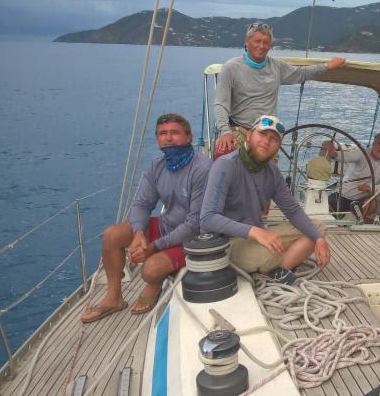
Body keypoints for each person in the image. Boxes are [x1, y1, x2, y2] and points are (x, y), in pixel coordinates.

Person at [81, 113, 212, 323]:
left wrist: (153, 247)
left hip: (195, 238)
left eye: (175, 133)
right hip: (167, 227)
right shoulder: (157, 166)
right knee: (112, 235)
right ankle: (114, 297)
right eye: (162, 133)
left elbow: (195, 223)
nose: (168, 138)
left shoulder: (202, 168)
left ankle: (155, 283)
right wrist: (139, 233)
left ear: (188, 137)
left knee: (151, 270)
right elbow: (141, 204)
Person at [201, 115, 330, 284]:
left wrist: (319, 240)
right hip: (228, 243)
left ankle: (277, 270)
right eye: (262, 134)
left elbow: (292, 210)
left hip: (256, 237)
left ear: (278, 146)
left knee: (318, 229)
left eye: (274, 139)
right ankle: (276, 264)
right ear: (249, 135)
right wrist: (254, 231)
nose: (267, 142)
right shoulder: (226, 165)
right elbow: (207, 219)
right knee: (269, 253)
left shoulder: (272, 172)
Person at [214, 22, 346, 156]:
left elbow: (301, 74)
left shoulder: (276, 67)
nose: (261, 46)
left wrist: (327, 66)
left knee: (268, 172)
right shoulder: (230, 68)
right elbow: (221, 104)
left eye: (266, 42)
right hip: (240, 129)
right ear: (247, 42)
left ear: (270, 46)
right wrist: (225, 132)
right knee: (225, 155)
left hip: (266, 131)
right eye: (257, 41)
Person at [322, 132, 380, 222]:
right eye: (378, 143)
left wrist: (371, 188)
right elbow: (346, 157)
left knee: (371, 203)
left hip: (361, 200)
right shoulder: (362, 153)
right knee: (324, 211)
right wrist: (333, 153)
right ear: (373, 144)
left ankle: (362, 227)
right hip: (343, 195)